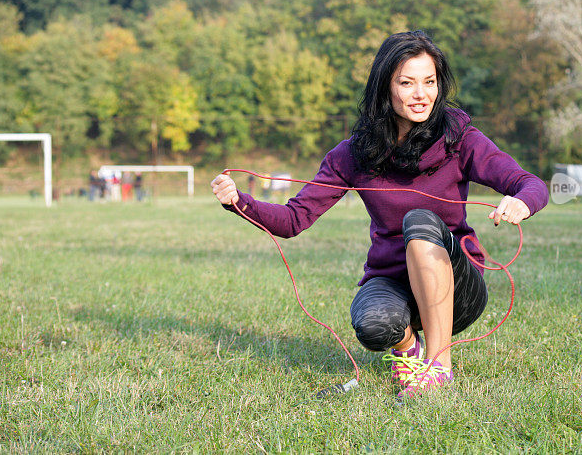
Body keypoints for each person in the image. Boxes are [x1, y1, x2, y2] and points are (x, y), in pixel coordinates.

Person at [211, 31, 548, 397]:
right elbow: (294, 220)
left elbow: (528, 183)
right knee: (372, 325)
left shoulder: (459, 138)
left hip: (458, 288)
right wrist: (238, 201)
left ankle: (438, 367)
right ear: (385, 87)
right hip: (393, 282)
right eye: (407, 83)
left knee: (418, 220)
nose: (421, 94)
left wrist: (522, 201)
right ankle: (409, 351)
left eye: (429, 82)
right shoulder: (353, 153)